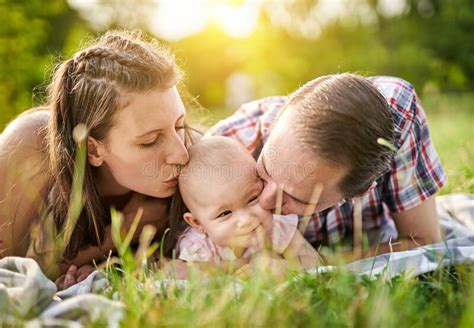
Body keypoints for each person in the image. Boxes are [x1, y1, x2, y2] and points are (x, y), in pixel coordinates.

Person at [0, 30, 192, 285]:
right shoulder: (29, 148)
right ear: (92, 149)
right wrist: (120, 233)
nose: (182, 154)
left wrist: (114, 271)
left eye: (179, 126)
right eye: (150, 141)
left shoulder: (197, 159)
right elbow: (10, 272)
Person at [207, 73, 447, 258]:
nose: (266, 201)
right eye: (266, 169)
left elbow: (423, 240)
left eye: (298, 198)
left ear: (360, 192)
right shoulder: (222, 150)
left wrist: (318, 264)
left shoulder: (398, 116)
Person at [175, 136, 319, 269]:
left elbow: (315, 264)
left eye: (252, 199)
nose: (245, 220)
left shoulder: (278, 227)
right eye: (225, 213)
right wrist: (241, 266)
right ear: (197, 223)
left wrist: (285, 267)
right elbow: (193, 282)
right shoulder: (198, 247)